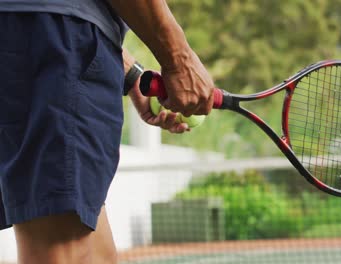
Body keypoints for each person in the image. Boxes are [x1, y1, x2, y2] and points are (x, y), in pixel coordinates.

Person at [0, 1, 214, 263]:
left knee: (96, 254)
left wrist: (130, 73)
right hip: (51, 36)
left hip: (32, 35)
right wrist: (179, 59)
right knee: (65, 250)